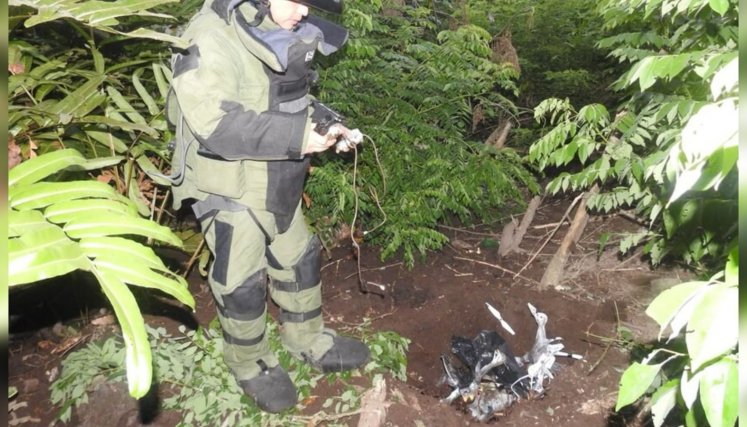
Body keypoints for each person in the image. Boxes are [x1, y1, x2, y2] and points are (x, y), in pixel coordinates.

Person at [167, 0, 370, 413]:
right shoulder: (209, 36)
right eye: (297, 1)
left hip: (276, 173)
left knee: (299, 258)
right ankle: (250, 362)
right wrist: (298, 138)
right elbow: (216, 126)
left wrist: (328, 122)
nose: (304, 13)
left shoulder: (271, 25)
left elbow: (290, 98)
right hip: (228, 180)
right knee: (240, 281)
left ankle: (307, 339)